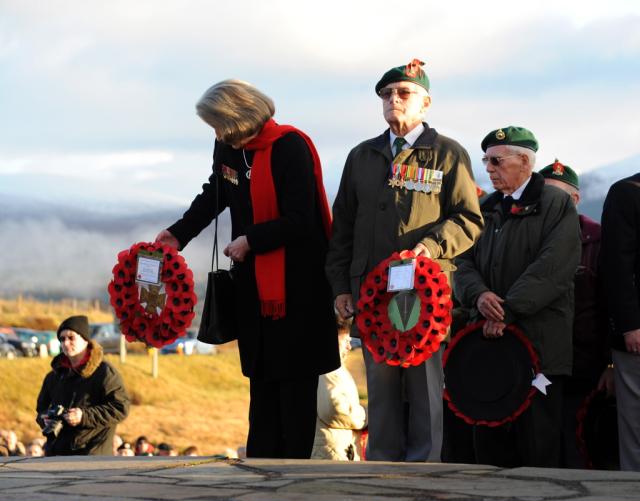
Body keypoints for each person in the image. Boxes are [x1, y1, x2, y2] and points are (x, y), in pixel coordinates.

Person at [156, 79, 340, 458]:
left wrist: (251, 240)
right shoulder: (228, 147)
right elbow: (216, 194)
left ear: (240, 115)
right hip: (254, 286)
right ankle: (261, 470)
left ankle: (292, 476)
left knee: (294, 391)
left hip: (297, 288)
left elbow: (302, 219)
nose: (218, 134)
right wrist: (179, 234)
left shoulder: (291, 147)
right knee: (262, 386)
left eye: (220, 125)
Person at [326, 59, 483, 462]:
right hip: (372, 293)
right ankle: (380, 472)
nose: (393, 99)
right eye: (386, 94)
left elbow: (468, 219)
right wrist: (341, 287)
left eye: (404, 93)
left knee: (424, 386)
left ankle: (424, 473)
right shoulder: (362, 156)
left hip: (424, 293)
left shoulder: (447, 154)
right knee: (380, 389)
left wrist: (430, 247)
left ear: (425, 104)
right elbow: (342, 227)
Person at [454, 127, 580, 468]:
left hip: (539, 347)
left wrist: (505, 313)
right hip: (489, 348)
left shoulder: (555, 204)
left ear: (524, 162)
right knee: (490, 449)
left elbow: (553, 267)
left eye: (496, 161)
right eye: (486, 161)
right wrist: (479, 296)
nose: (489, 168)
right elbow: (462, 262)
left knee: (538, 446)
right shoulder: (485, 207)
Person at [538, 159, 612, 468]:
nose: (551, 203)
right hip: (539, 365)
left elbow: (612, 304)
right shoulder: (531, 239)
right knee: (542, 446)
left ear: (575, 199)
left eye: (559, 196)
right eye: (545, 196)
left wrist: (611, 363)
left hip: (587, 366)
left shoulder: (599, 239)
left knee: (581, 447)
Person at [35, 315, 130, 456]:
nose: (66, 343)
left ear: (85, 340)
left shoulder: (104, 372)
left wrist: (84, 416)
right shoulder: (54, 376)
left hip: (93, 455)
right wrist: (45, 418)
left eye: (71, 337)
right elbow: (41, 410)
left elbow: (121, 407)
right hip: (57, 454)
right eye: (62, 339)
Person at [600, 172, 640, 471]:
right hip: (637, 332)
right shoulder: (626, 192)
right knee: (636, 429)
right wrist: (629, 324)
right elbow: (616, 264)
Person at [311, 317, 367, 461]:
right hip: (331, 453)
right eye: (345, 341)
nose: (349, 347)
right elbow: (334, 409)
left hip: (338, 450)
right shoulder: (325, 370)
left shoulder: (336, 368)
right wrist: (365, 416)